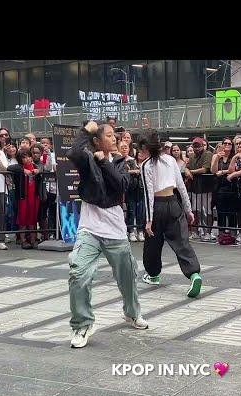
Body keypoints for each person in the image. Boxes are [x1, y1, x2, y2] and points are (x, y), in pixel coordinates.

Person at [65, 120, 147, 348]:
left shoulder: (121, 162)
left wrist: (104, 161)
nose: (114, 139)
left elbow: (121, 185)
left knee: (127, 276)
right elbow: (73, 152)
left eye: (115, 136)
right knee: (78, 273)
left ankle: (132, 313)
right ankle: (82, 324)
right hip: (89, 228)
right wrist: (86, 130)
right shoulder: (86, 160)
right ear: (97, 141)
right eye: (109, 135)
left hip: (115, 229)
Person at [139, 129, 201, 297]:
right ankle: (194, 274)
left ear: (145, 147)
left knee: (152, 244)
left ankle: (153, 275)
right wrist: (188, 209)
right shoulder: (171, 160)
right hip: (173, 203)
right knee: (181, 241)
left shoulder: (146, 165)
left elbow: (148, 194)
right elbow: (181, 186)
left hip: (157, 206)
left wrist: (149, 220)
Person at [8, 149, 41, 249]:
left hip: (34, 196)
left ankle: (33, 239)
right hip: (23, 197)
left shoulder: (35, 166)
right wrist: (23, 170)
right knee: (22, 218)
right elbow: (9, 167)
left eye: (29, 156)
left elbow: (44, 168)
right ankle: (23, 240)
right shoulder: (19, 168)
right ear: (20, 159)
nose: (27, 159)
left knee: (33, 219)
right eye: (24, 157)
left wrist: (38, 171)